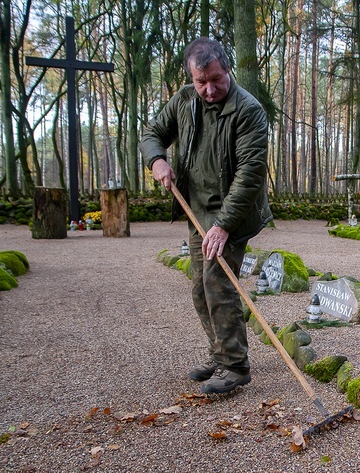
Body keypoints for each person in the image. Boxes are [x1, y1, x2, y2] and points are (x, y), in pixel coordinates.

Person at [139, 38, 272, 394]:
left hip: (234, 213)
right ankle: (220, 352)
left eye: (216, 79)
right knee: (199, 289)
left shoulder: (249, 110)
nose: (209, 89)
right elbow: (152, 133)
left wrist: (224, 225)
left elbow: (250, 174)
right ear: (191, 77)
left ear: (227, 69)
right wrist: (157, 159)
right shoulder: (184, 100)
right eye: (202, 82)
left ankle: (235, 365)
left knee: (217, 284)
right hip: (196, 209)